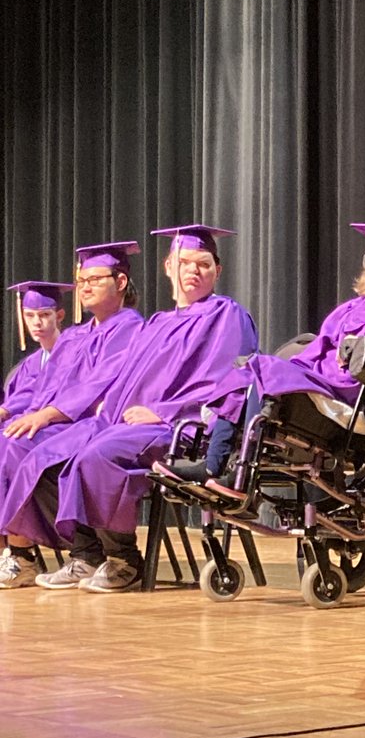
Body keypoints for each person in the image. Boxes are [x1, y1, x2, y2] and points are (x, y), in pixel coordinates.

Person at [0, 224, 257, 592]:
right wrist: (105, 415)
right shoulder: (158, 323)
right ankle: (85, 553)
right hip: (124, 422)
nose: (193, 271)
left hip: (179, 428)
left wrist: (166, 411)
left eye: (203, 264)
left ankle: (123, 560)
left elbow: (231, 381)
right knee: (42, 453)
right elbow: (124, 384)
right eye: (184, 262)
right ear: (169, 267)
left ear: (218, 270)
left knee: (97, 455)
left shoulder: (226, 315)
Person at [156, 221, 365, 492]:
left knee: (263, 367)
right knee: (248, 371)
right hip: (322, 378)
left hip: (349, 390)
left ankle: (240, 475)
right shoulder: (350, 309)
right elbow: (320, 345)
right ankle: (214, 464)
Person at [0, 242, 145, 587]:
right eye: (82, 281)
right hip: (68, 421)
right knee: (12, 443)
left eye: (94, 279)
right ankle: (66, 553)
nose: (85, 287)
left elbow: (101, 382)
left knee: (36, 451)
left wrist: (48, 415)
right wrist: (33, 412)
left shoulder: (130, 328)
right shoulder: (78, 336)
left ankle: (87, 553)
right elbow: (49, 384)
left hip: (98, 422)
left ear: (120, 282)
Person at [0, 280, 73, 424]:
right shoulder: (30, 363)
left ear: (59, 316)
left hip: (57, 425)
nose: (36, 322)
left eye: (44, 314)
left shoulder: (72, 353)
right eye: (29, 315)